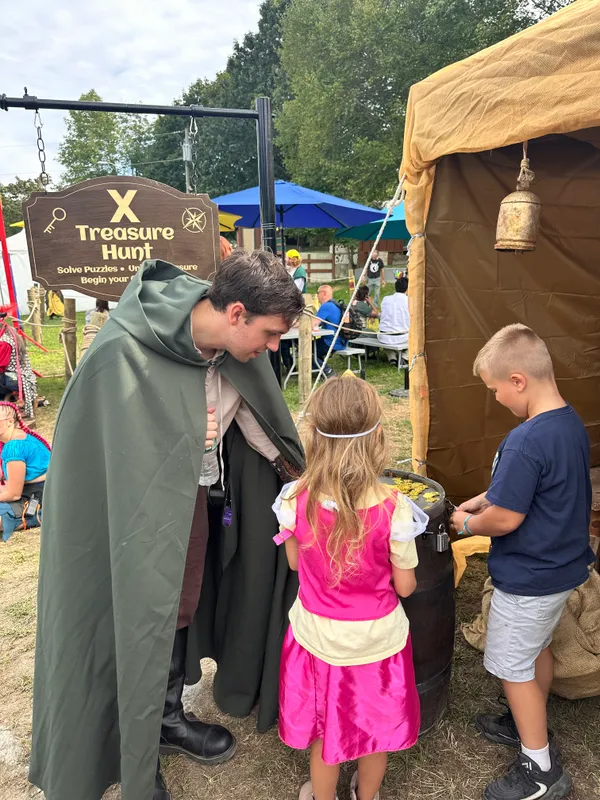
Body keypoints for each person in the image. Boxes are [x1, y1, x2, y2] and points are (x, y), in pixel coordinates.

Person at [29, 252, 305, 800]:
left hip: (191, 504)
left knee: (173, 609)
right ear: (234, 313)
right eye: (271, 333)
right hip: (126, 517)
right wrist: (178, 436)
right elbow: (106, 445)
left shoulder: (237, 352)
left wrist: (316, 482)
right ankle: (131, 748)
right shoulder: (123, 348)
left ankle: (166, 718)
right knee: (128, 619)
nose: (275, 347)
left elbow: (261, 425)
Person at [451, 324, 594, 800]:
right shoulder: (569, 424)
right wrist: (481, 500)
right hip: (562, 572)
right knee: (536, 652)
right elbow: (525, 489)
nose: (496, 400)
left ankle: (540, 771)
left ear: (517, 380)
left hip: (529, 578)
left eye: (495, 390)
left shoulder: (525, 439)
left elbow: (508, 518)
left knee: (513, 667)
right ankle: (523, 720)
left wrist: (468, 525)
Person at [272, 376, 426, 800]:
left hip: (316, 637)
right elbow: (407, 587)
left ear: (314, 438)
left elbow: (294, 563)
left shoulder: (293, 500)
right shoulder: (394, 509)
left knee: (326, 730)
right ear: (378, 436)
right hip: (378, 642)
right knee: (373, 732)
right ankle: (368, 795)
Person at [0, 402, 50, 542]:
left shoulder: (14, 447)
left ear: (10, 421)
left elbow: (14, 494)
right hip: (46, 495)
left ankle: (35, 518)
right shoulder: (23, 438)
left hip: (35, 501)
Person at [0, 310, 38, 420]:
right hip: (20, 375)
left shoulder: (4, 342)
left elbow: (1, 366)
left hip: (16, 378)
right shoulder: (9, 335)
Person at [314, 285, 345, 378]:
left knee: (306, 350)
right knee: (313, 347)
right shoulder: (335, 304)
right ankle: (319, 369)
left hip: (332, 342)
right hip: (342, 340)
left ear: (323, 293)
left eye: (318, 293)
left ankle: (328, 371)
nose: (317, 296)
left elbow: (313, 323)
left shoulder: (326, 306)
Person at [378, 277, 409, 364]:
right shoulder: (409, 300)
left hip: (384, 335)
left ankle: (392, 357)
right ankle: (404, 357)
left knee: (384, 336)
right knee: (418, 338)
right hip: (402, 336)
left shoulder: (385, 299)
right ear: (407, 289)